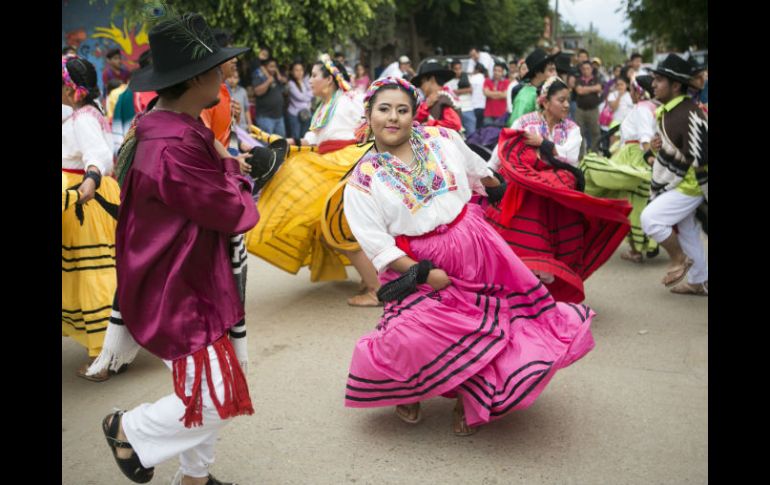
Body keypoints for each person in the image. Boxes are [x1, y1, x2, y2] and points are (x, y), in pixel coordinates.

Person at [342, 77, 595, 436]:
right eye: (384, 109)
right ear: (368, 115)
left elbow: (480, 172)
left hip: (476, 247)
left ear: (414, 114)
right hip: (416, 264)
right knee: (410, 333)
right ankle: (409, 387)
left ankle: (473, 397)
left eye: (402, 109)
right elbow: (378, 245)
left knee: (487, 325)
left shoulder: (442, 139)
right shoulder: (362, 181)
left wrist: (504, 193)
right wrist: (424, 273)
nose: (393, 117)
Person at [99, 13, 257, 485]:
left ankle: (194, 477)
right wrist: (241, 174)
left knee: (204, 380)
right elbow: (233, 211)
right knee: (214, 395)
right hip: (176, 287)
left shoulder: (171, 126)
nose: (223, 75)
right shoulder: (173, 143)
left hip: (186, 276)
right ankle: (128, 430)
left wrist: (228, 165)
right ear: (194, 79)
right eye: (216, 68)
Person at [245, 56, 382, 306]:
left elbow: (373, 123)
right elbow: (310, 142)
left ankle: (375, 289)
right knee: (336, 229)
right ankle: (371, 280)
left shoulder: (349, 101)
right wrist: (271, 139)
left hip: (346, 166)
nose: (310, 81)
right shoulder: (323, 107)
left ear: (329, 80)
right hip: (331, 167)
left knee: (339, 228)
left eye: (315, 75)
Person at [485, 77, 632, 302]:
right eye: (561, 100)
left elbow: (570, 157)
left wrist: (543, 144)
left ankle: (543, 289)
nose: (566, 105)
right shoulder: (524, 123)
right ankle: (524, 287)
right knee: (524, 229)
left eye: (567, 100)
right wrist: (487, 174)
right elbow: (502, 150)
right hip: (529, 193)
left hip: (556, 197)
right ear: (545, 102)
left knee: (558, 235)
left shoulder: (572, 129)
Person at [62, 54, 122, 382]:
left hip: (87, 201)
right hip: (85, 198)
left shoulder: (83, 117)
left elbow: (97, 154)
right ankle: (109, 349)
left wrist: (91, 179)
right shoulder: (83, 111)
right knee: (92, 273)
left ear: (73, 90)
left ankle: (102, 358)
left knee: (93, 276)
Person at [640, 54, 708, 296]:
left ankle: (679, 259)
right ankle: (700, 280)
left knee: (650, 219)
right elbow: (676, 148)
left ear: (676, 85)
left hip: (691, 185)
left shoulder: (687, 113)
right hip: (681, 183)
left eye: (659, 80)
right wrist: (657, 147)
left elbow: (702, 154)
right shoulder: (671, 111)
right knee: (688, 231)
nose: (653, 85)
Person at [580, 75, 661, 262]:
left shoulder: (642, 108)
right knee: (638, 201)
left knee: (630, 202)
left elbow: (645, 137)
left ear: (639, 92)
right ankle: (643, 245)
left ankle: (636, 250)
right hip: (635, 155)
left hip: (634, 157)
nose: (630, 93)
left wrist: (648, 158)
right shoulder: (652, 107)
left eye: (632, 90)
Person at [507, 48, 558, 126]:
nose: (555, 74)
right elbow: (515, 127)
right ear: (537, 73)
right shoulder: (525, 97)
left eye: (555, 70)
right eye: (551, 70)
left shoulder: (549, 92)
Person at [412, 60, 462, 131]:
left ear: (432, 79)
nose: (421, 87)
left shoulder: (443, 98)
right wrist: (426, 106)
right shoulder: (431, 100)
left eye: (422, 83)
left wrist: (428, 124)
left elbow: (455, 124)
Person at [253, 57, 288, 137]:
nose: (273, 69)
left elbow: (284, 83)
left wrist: (278, 74)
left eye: (274, 67)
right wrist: (268, 81)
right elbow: (257, 92)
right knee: (266, 143)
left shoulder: (277, 77)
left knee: (280, 142)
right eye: (271, 66)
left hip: (279, 116)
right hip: (265, 118)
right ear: (265, 67)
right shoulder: (259, 75)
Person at [574, 61, 603, 154]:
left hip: (593, 110)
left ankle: (594, 154)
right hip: (580, 110)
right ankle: (580, 155)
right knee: (579, 134)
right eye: (584, 69)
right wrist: (592, 89)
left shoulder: (597, 79)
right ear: (581, 70)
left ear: (591, 69)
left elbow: (598, 88)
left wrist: (584, 89)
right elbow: (579, 91)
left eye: (588, 68)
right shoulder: (578, 80)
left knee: (595, 133)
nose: (586, 71)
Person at [445, 59, 476, 136]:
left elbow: (471, 90)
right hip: (455, 111)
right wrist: (464, 90)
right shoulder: (448, 82)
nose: (458, 71)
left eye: (460, 68)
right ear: (451, 69)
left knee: (472, 134)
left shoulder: (468, 78)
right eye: (456, 69)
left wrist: (457, 91)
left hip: (468, 109)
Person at [286, 61, 314, 140]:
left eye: (301, 70)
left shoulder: (304, 81)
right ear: (292, 72)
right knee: (296, 137)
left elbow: (312, 91)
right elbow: (300, 97)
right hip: (295, 114)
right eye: (296, 70)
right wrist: (309, 95)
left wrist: (308, 95)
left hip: (306, 113)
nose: (299, 72)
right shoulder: (291, 83)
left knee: (304, 136)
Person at [482, 62, 510, 126]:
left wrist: (491, 93)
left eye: (499, 71)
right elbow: (486, 93)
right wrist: (500, 93)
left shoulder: (506, 82)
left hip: (501, 114)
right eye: (495, 70)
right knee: (487, 131)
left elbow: (505, 95)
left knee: (500, 132)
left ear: (502, 72)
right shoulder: (487, 80)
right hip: (488, 114)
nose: (496, 72)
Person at [227, 68, 252, 133]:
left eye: (235, 78)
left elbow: (247, 110)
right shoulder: (224, 92)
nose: (232, 80)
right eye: (230, 77)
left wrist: (250, 124)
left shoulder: (243, 91)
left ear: (238, 79)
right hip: (229, 128)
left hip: (242, 126)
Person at [470, 63, 488, 131]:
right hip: (483, 106)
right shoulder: (485, 79)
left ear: (476, 70)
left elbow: (470, 91)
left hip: (473, 105)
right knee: (480, 127)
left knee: (474, 127)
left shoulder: (473, 78)